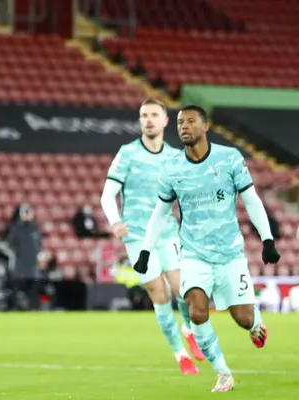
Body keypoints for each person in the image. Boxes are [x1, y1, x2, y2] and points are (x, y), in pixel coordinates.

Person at [134, 105, 279, 392]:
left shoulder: (230, 158)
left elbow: (251, 201)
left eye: (190, 121)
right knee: (197, 311)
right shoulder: (172, 168)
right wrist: (145, 251)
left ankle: (254, 322)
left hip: (230, 254)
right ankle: (223, 373)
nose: (183, 126)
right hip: (193, 254)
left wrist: (268, 240)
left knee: (242, 318)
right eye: (179, 122)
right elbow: (160, 213)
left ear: (205, 126)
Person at [100, 99, 203, 375]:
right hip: (136, 235)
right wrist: (115, 221)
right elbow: (107, 194)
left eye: (154, 115)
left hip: (167, 231)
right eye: (144, 115)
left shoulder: (174, 157)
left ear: (165, 121)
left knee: (183, 291)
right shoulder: (127, 153)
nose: (148, 120)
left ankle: (188, 330)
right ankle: (180, 354)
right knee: (158, 293)